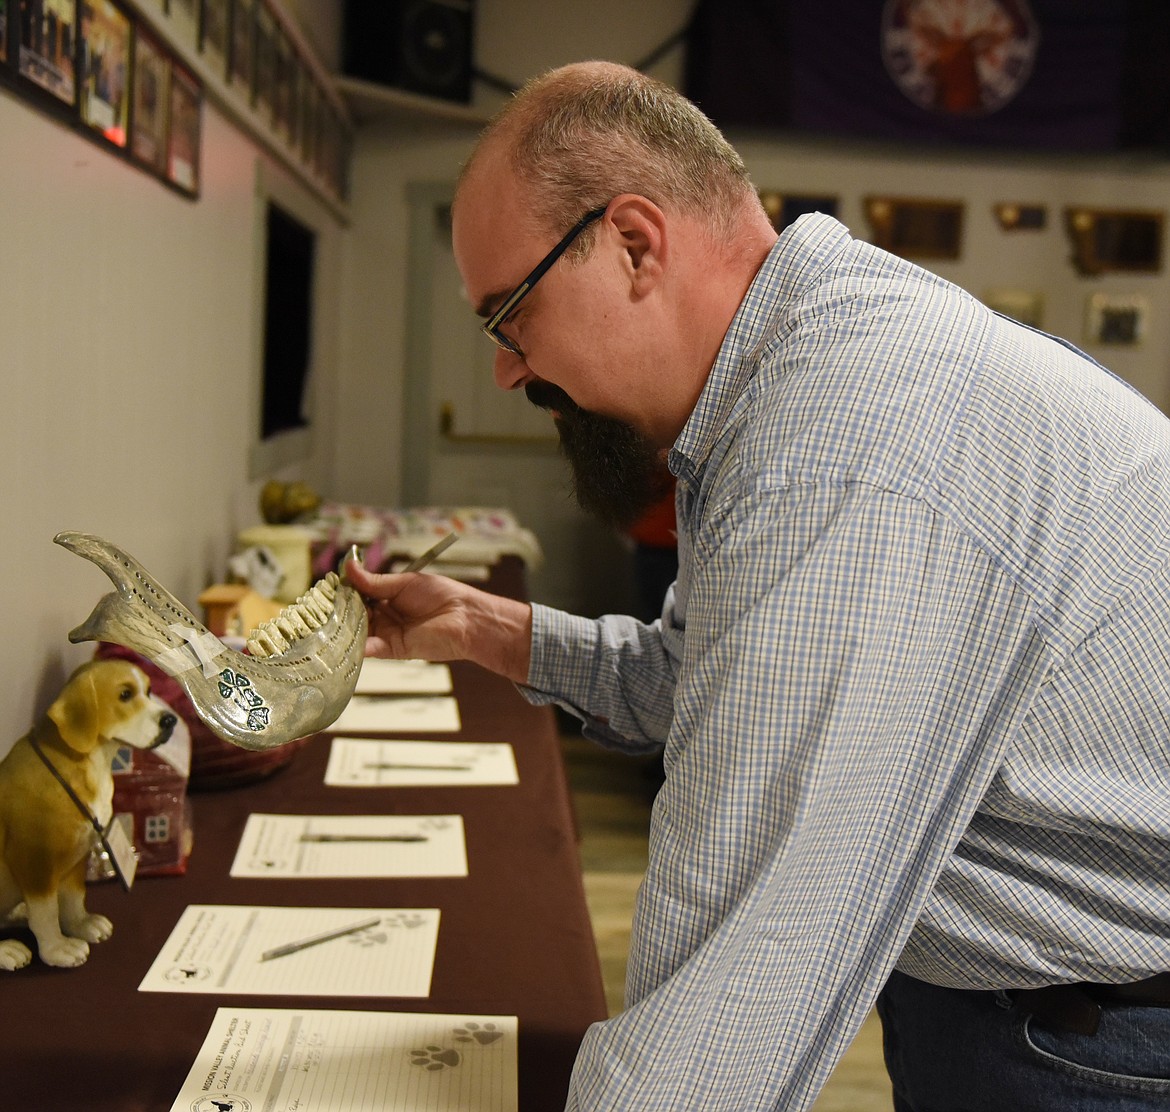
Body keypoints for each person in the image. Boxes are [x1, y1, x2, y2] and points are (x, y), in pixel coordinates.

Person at [345, 60, 1170, 1111]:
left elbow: (745, 963)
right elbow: (701, 676)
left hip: (1096, 1038)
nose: (510, 366)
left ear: (635, 244)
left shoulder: (831, 449)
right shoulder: (796, 369)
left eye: (510, 310)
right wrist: (490, 628)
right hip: (1011, 994)